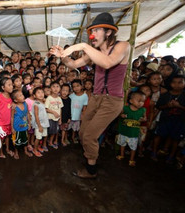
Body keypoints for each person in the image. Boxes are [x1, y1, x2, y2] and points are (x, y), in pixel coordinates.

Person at [51, 12, 130, 178]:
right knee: (82, 132)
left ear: (108, 32)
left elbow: (108, 63)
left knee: (89, 136)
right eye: (91, 31)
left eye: (97, 30)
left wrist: (83, 46)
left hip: (112, 101)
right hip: (95, 97)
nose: (92, 35)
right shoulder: (94, 51)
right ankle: (90, 158)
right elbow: (73, 64)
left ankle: (91, 171)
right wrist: (63, 56)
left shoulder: (123, 46)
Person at [152, 75, 185, 163]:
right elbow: (158, 106)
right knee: (158, 135)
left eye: (180, 82)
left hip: (179, 122)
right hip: (165, 120)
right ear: (170, 83)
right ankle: (154, 152)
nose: (176, 85)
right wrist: (167, 105)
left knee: (175, 139)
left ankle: (171, 156)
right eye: (174, 82)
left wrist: (179, 106)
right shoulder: (166, 94)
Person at [116, 92, 146, 167]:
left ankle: (131, 159)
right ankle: (122, 155)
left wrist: (143, 119)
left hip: (133, 134)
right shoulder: (125, 108)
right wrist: (121, 115)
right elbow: (119, 114)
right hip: (124, 131)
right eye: (139, 101)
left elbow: (145, 118)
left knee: (133, 147)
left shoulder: (142, 110)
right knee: (122, 144)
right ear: (131, 101)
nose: (141, 103)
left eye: (143, 101)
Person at [0, 77, 14, 158]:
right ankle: (0, 152)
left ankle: (7, 149)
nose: (12, 86)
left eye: (12, 84)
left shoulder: (11, 97)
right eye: (9, 85)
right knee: (1, 139)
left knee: (7, 137)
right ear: (3, 87)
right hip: (1, 122)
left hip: (9, 122)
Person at [11, 90, 33, 159]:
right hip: (17, 127)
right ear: (15, 100)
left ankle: (25, 150)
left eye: (22, 94)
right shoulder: (14, 107)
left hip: (25, 126)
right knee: (16, 141)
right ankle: (16, 152)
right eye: (20, 95)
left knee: (25, 139)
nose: (23, 96)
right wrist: (12, 128)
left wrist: (29, 123)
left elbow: (28, 114)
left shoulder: (25, 104)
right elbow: (12, 117)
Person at [31, 87, 49, 157]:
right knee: (38, 138)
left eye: (42, 92)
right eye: (38, 93)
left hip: (44, 123)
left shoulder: (42, 102)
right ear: (34, 96)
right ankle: (35, 150)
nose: (41, 94)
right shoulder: (36, 104)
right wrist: (39, 126)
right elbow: (36, 116)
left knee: (43, 136)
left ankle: (38, 147)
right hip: (39, 124)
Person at [69, 79, 88, 144]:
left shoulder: (85, 96)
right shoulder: (71, 96)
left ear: (81, 86)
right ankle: (69, 138)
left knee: (76, 128)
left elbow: (84, 107)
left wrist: (83, 115)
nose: (76, 88)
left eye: (77, 86)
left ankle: (74, 138)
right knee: (68, 128)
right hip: (71, 115)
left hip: (78, 116)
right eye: (74, 87)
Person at [45, 81, 63, 149]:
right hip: (50, 118)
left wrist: (60, 119)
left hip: (56, 119)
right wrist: (53, 112)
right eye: (53, 86)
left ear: (60, 88)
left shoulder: (59, 98)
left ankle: (50, 142)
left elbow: (60, 109)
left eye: (57, 86)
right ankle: (44, 144)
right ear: (50, 89)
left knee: (54, 132)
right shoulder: (49, 98)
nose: (55, 88)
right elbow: (46, 109)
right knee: (47, 132)